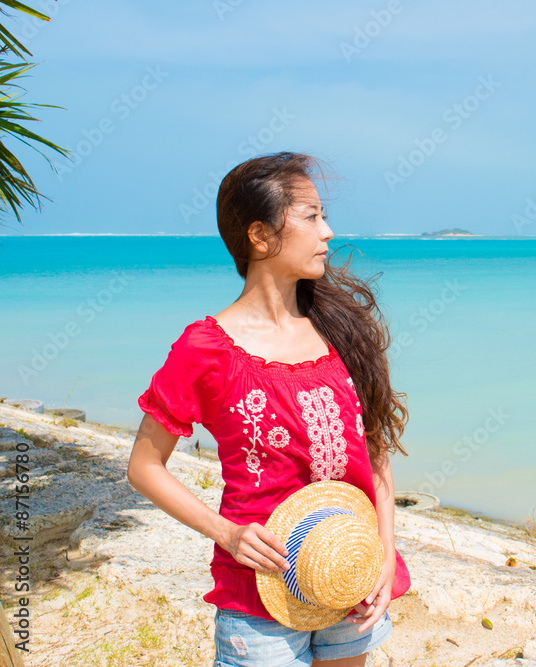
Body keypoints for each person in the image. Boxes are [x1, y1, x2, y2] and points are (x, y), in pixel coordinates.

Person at [127, 152, 411, 667]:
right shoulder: (207, 348)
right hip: (259, 597)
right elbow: (144, 467)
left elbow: (374, 452)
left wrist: (386, 551)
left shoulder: (341, 332)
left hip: (351, 579)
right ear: (260, 236)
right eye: (311, 216)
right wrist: (227, 533)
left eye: (323, 215)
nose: (328, 231)